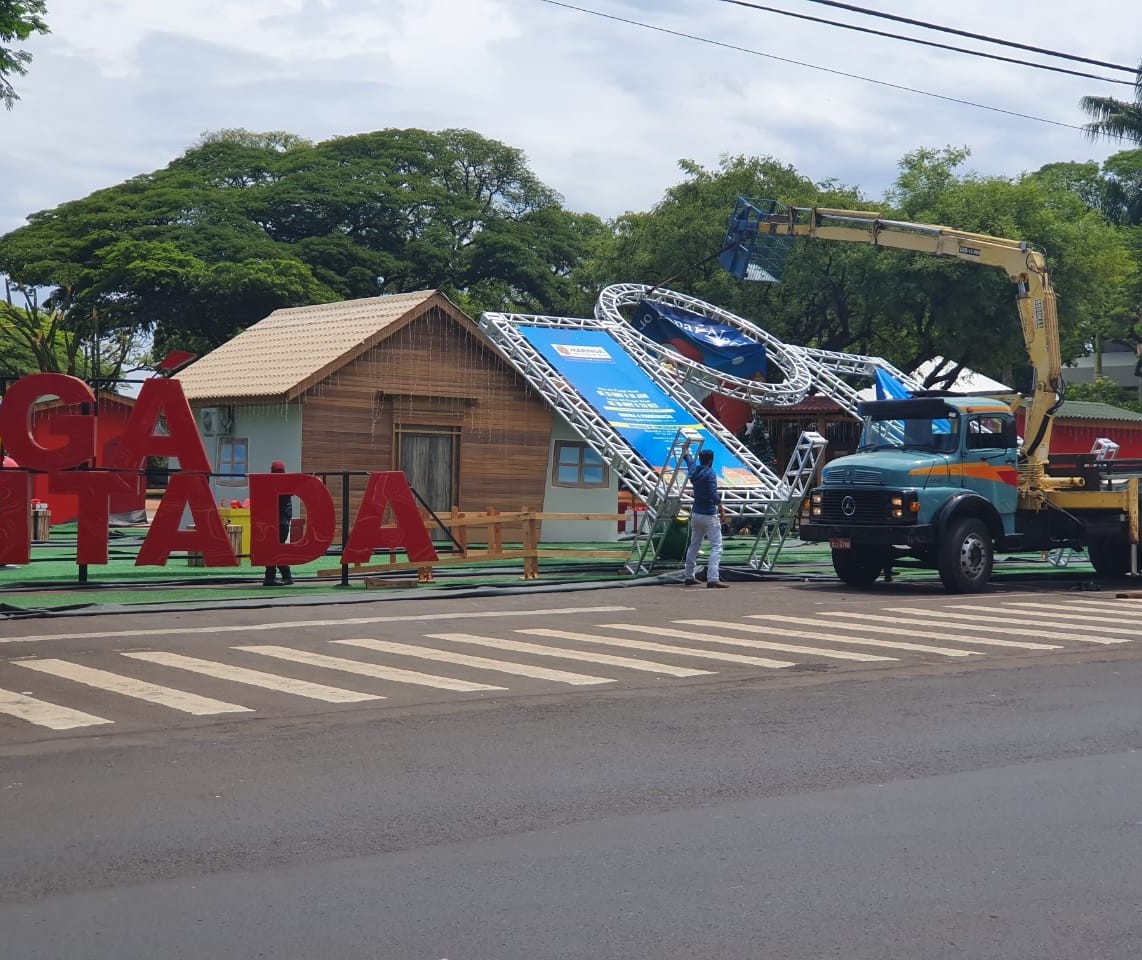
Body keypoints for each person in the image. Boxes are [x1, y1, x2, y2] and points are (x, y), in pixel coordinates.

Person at [682, 448, 729, 588]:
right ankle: (713, 578)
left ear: (700, 459)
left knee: (694, 545)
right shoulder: (710, 473)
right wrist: (721, 508)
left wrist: (686, 450)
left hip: (696, 514)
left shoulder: (694, 471)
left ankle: (689, 576)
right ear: (711, 460)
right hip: (709, 514)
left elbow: (689, 460)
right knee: (717, 546)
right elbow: (713, 493)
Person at [263, 460, 294, 586]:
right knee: (277, 549)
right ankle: (283, 576)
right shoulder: (287, 483)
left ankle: (272, 576)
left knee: (273, 549)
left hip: (276, 521)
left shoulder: (269, 483)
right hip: (282, 522)